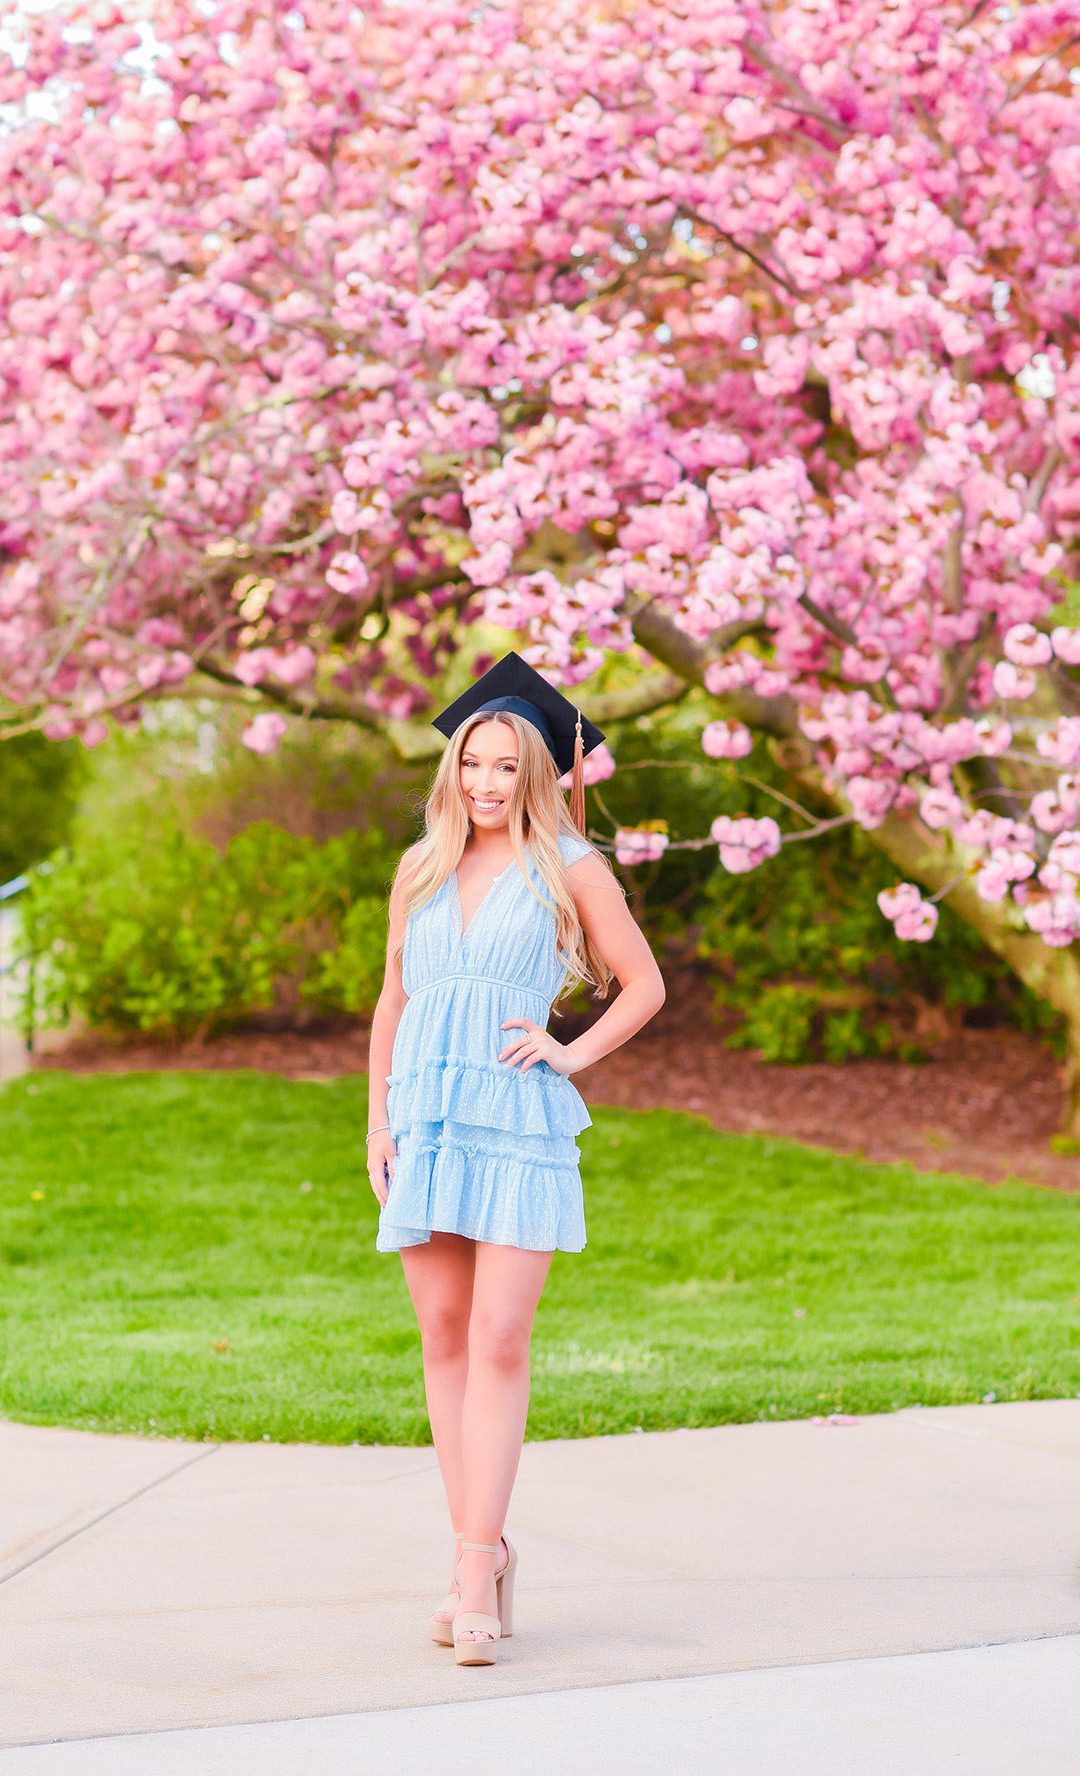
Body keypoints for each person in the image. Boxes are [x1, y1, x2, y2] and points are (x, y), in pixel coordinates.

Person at [365, 652, 666, 1666]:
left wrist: (570, 1052)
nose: (486, 782)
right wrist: (378, 1121)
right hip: (428, 1118)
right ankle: (473, 1560)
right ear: (451, 768)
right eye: (471, 763)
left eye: (505, 765)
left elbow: (643, 983)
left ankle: (479, 1552)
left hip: (517, 1120)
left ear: (533, 773)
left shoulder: (570, 866)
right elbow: (393, 1001)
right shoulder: (421, 865)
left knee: (498, 1337)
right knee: (442, 1336)